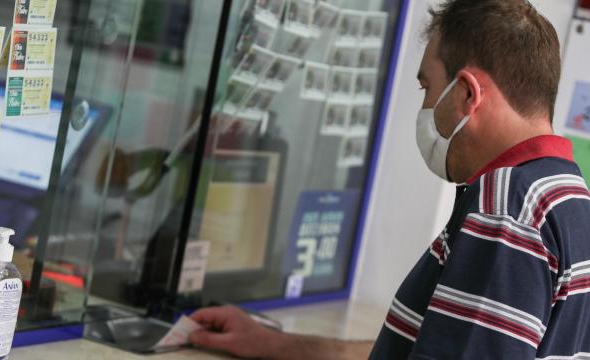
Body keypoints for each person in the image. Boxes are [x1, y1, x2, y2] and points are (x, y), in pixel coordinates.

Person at [189, 0, 590, 358]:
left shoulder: (506, 206)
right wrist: (275, 345)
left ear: (468, 94)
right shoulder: (567, 200)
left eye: (427, 86)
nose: (425, 105)